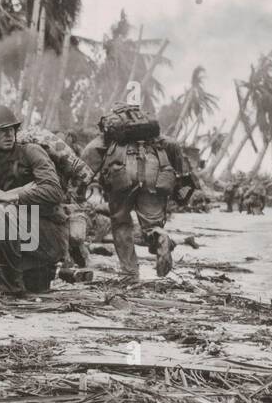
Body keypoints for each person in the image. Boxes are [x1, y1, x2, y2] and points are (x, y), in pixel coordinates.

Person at [0, 104, 68, 296]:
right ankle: (19, 278)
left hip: (49, 236)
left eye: (11, 129)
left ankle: (12, 287)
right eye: (1, 132)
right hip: (19, 243)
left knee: (1, 212)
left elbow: (54, 192)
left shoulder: (31, 152)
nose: (9, 135)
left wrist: (11, 195)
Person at [80, 102, 192, 281]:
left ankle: (129, 272)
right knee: (152, 223)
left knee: (121, 222)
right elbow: (174, 146)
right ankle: (159, 235)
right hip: (154, 172)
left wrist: (80, 185)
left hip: (121, 172)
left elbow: (89, 153)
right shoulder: (153, 135)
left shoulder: (111, 135)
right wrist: (181, 179)